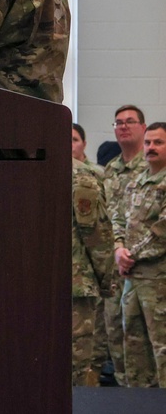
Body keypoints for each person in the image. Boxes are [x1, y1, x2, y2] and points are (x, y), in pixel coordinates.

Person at [113, 121, 166, 387]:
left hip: (159, 280)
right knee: (133, 346)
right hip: (132, 278)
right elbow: (118, 218)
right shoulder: (136, 182)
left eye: (158, 142)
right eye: (147, 142)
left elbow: (162, 231)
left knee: (162, 347)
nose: (150, 147)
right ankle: (138, 402)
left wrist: (129, 255)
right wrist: (118, 248)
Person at [103, 104, 147, 385]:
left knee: (143, 341)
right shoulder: (110, 169)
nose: (123, 127)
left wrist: (129, 251)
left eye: (130, 121)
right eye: (118, 123)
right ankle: (123, 393)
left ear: (143, 127)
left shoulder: (153, 166)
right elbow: (107, 217)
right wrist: (116, 249)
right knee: (115, 335)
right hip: (114, 265)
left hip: (145, 266)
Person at [71, 157, 115, 386]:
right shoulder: (81, 176)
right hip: (74, 286)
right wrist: (106, 281)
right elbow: (97, 236)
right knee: (74, 368)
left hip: (19, 285)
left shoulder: (11, 166)